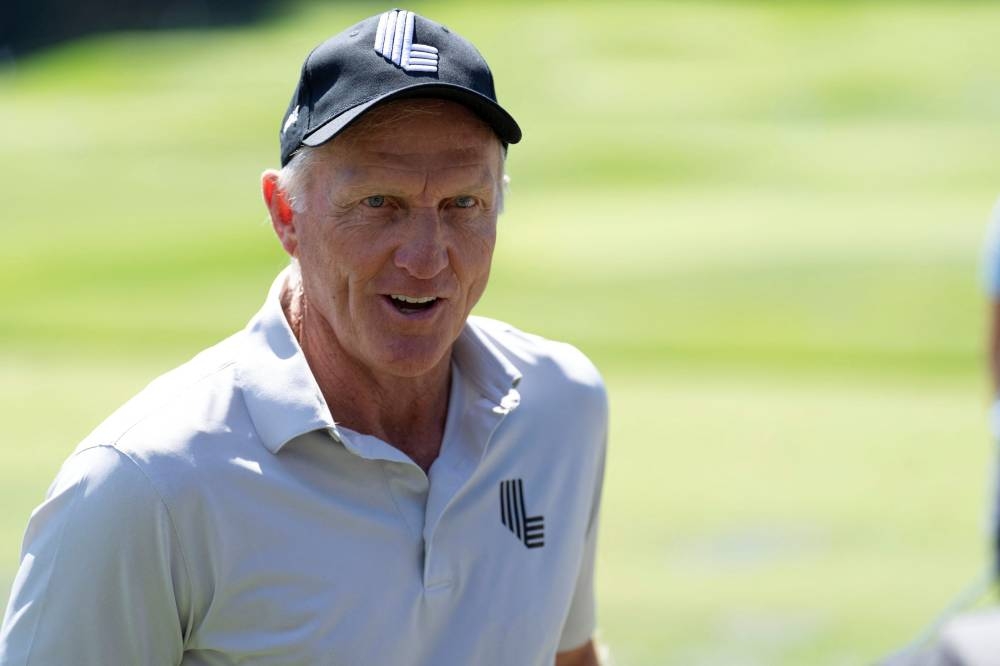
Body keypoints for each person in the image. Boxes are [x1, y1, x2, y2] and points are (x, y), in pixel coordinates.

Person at [0, 9, 608, 666]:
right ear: (286, 214)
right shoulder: (145, 485)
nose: (428, 258)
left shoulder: (561, 409)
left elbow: (567, 654)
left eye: (463, 204)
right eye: (379, 204)